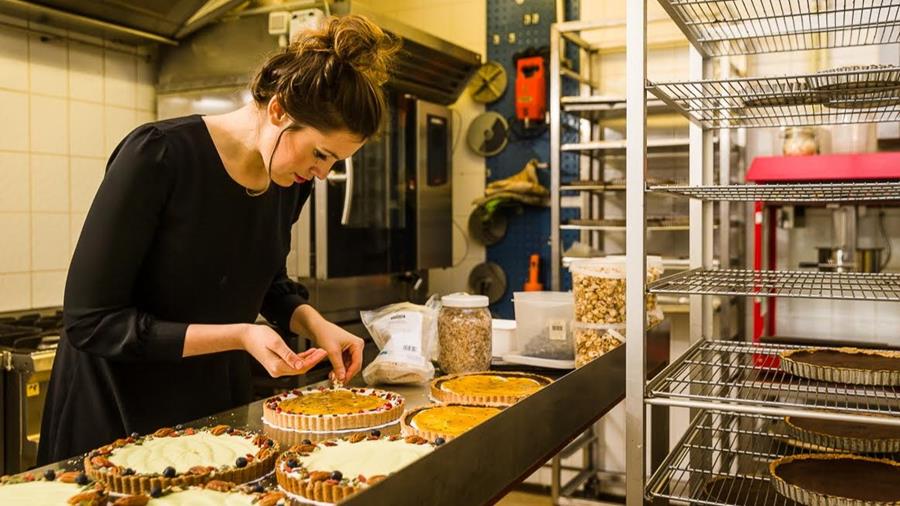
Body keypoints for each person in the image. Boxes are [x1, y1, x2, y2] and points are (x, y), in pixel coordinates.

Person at [37, 14, 398, 464]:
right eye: (320, 155)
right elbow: (91, 321)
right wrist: (240, 335)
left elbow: (266, 280)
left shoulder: (289, 180)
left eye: (334, 163)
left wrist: (314, 324)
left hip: (209, 413)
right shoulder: (159, 156)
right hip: (113, 412)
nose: (322, 174)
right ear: (279, 110)